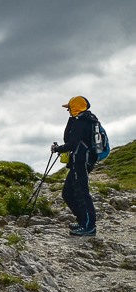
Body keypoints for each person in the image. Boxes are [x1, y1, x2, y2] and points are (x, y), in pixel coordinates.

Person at [51, 96, 99, 236]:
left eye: (69, 108)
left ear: (75, 107)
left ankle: (89, 226)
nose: (68, 111)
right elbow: (71, 140)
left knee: (82, 193)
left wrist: (57, 149)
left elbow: (71, 144)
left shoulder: (81, 122)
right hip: (82, 161)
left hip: (81, 161)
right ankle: (83, 221)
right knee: (68, 193)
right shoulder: (86, 119)